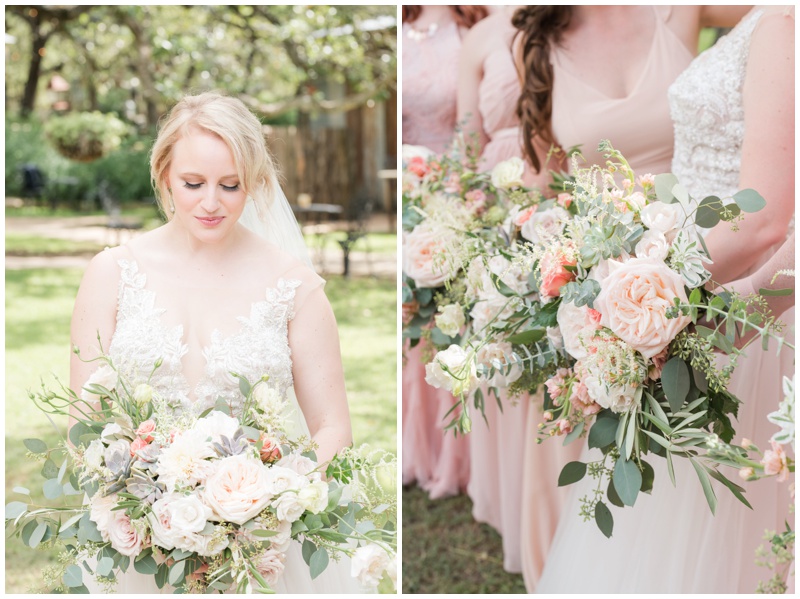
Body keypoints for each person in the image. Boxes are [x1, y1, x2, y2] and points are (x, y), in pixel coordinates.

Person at [536, 6, 793, 593]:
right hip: (689, 279)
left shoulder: (784, 21)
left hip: (736, 310)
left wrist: (660, 304)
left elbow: (765, 217)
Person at [70, 92, 363, 593]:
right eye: (193, 183)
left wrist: (265, 499)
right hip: (137, 543)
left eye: (230, 185)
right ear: (164, 175)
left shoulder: (295, 287)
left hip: (261, 543)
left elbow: (333, 427)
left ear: (254, 183)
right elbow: (82, 421)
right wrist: (145, 502)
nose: (211, 202)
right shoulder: (111, 273)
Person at [454, 5, 547, 574]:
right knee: (508, 349)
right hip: (495, 199)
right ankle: (519, 503)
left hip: (563, 180)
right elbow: (466, 139)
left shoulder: (566, 22)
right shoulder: (479, 38)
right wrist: (461, 210)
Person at [401, 5, 488, 499]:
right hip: (409, 196)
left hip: (465, 191)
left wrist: (454, 196)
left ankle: (462, 451)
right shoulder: (401, 23)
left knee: (453, 322)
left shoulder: (475, 21)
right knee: (416, 326)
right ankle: (423, 448)